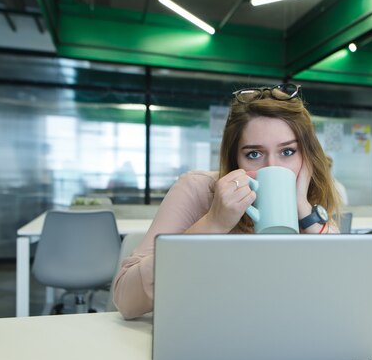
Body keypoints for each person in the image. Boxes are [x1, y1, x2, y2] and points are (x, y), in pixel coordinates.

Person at [112, 83, 342, 319]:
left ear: (308, 157)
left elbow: (342, 292)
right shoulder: (198, 189)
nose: (272, 167)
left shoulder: (310, 205)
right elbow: (126, 300)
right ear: (234, 161)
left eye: (287, 152)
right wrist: (213, 222)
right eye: (254, 154)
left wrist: (304, 210)